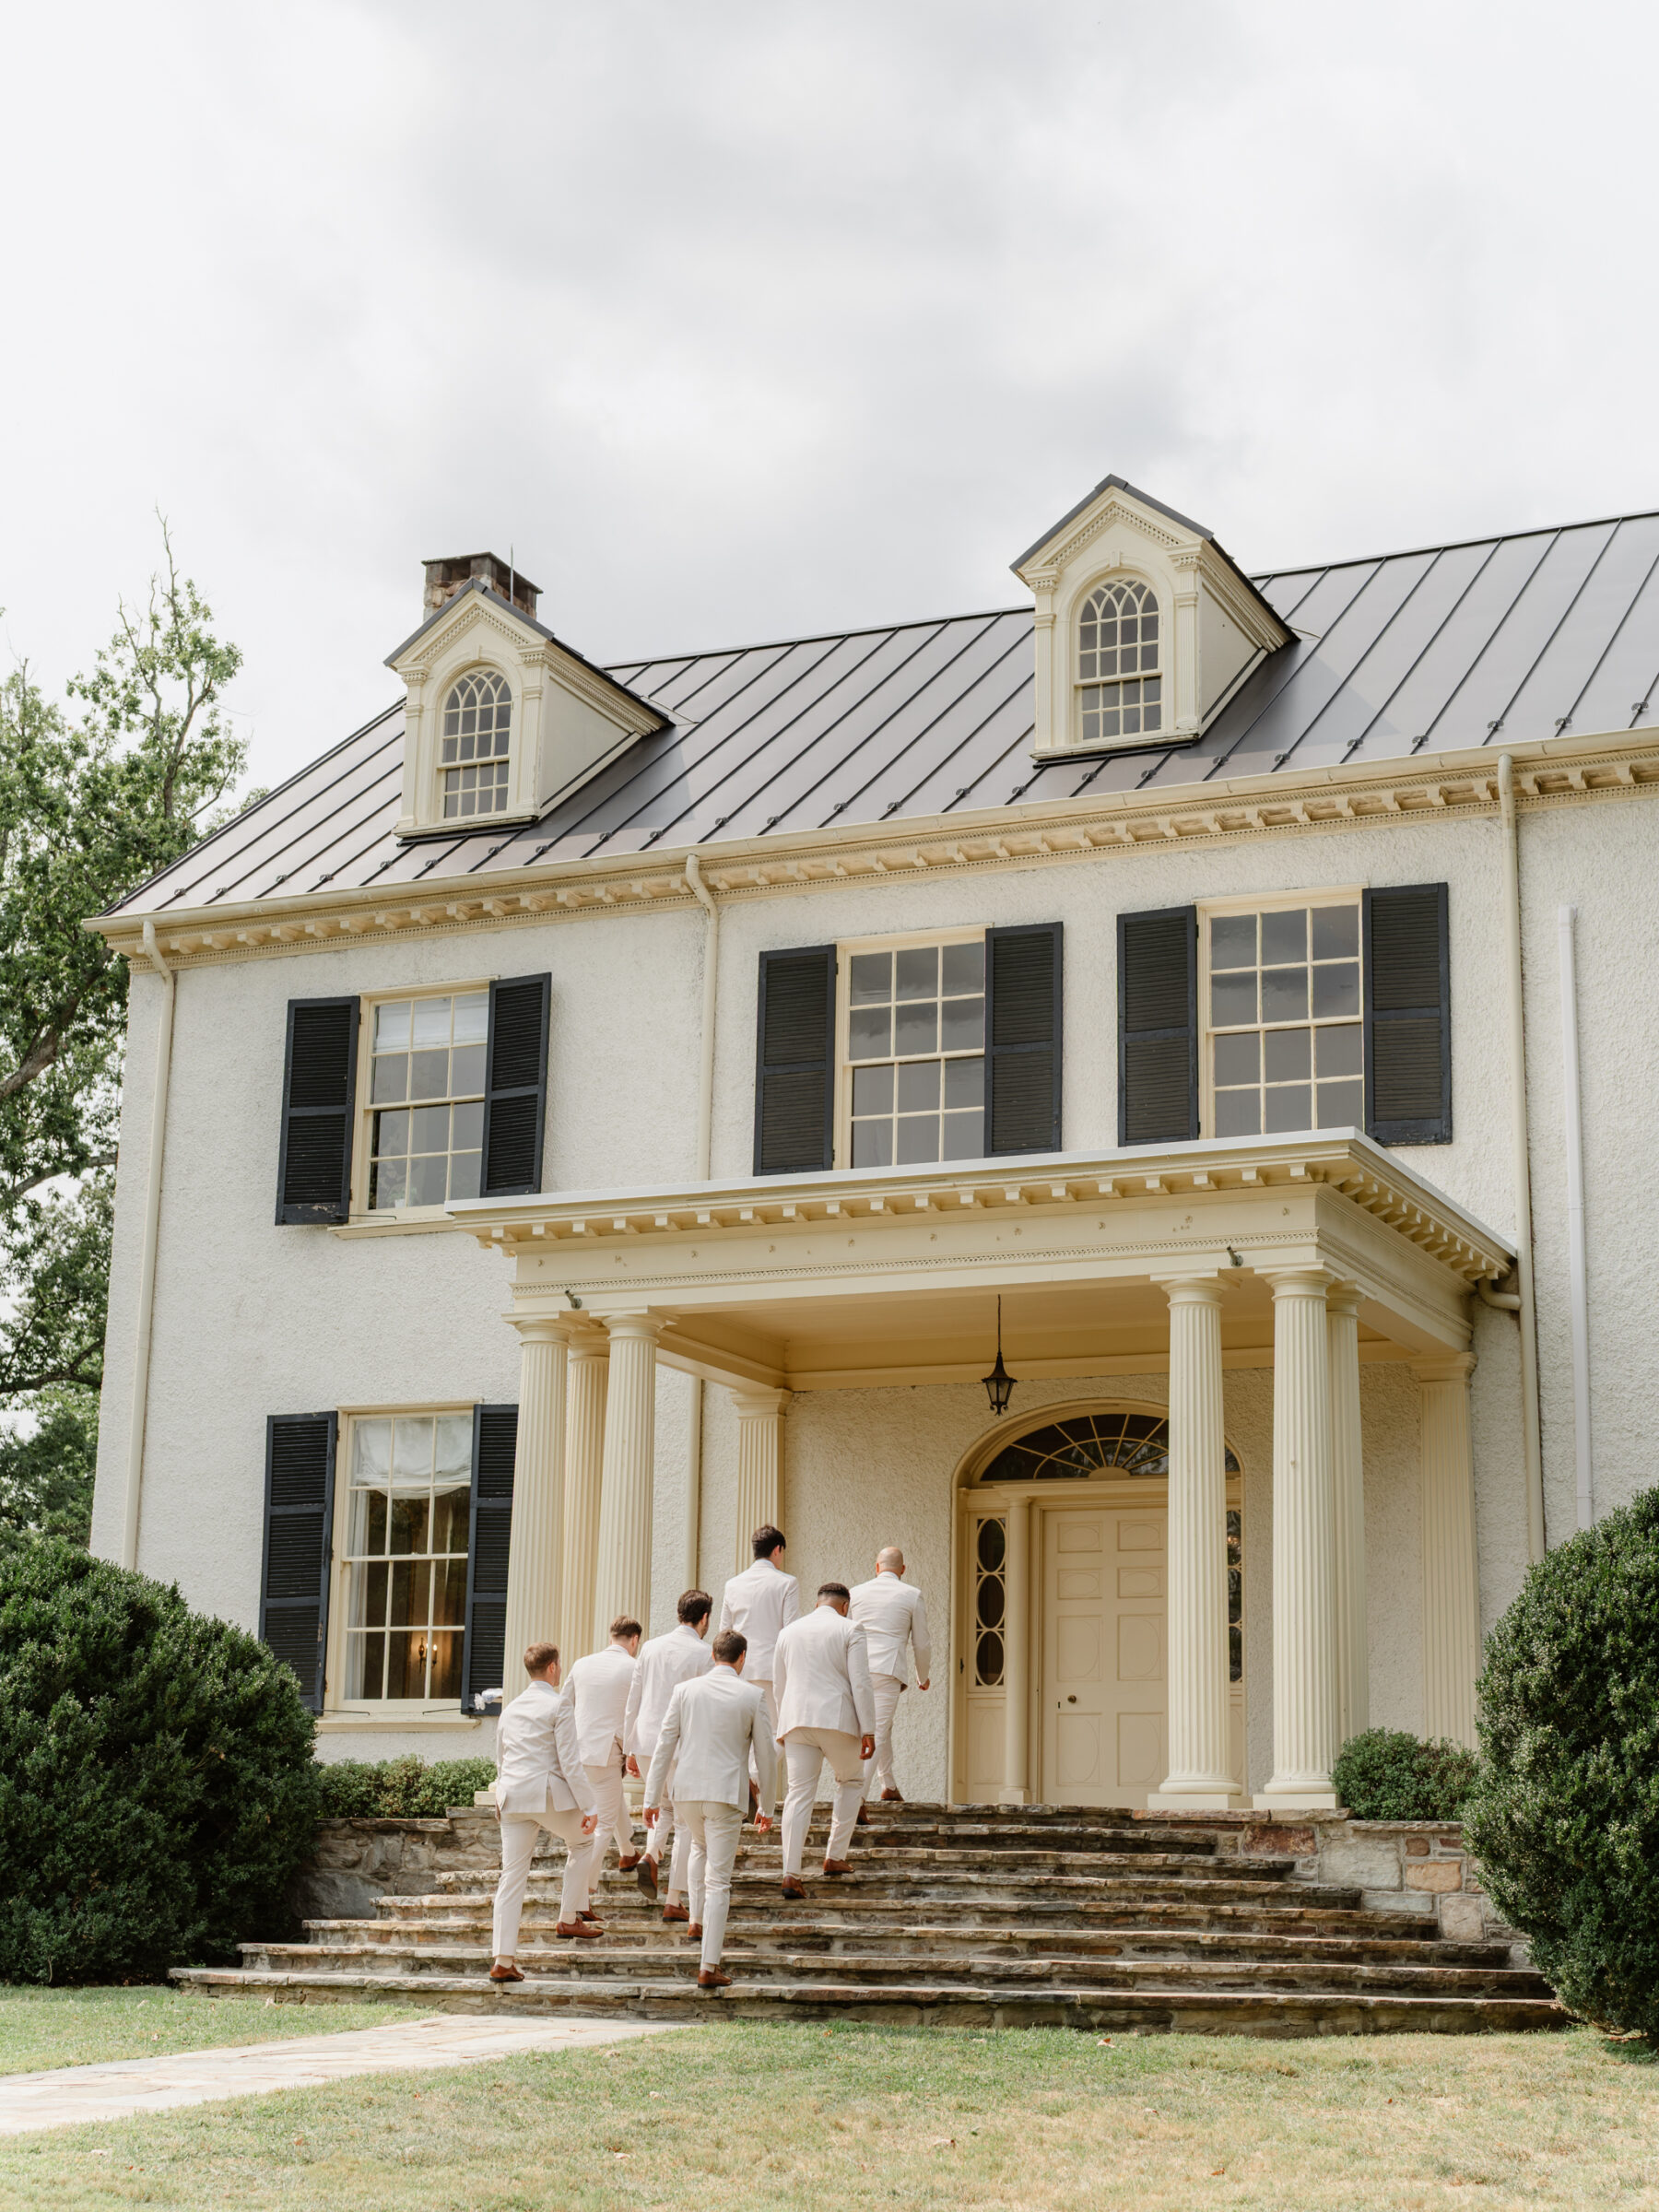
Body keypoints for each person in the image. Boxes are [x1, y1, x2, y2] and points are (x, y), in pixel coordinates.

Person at [643, 1628, 776, 1991]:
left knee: (698, 1848)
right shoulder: (752, 1695)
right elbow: (766, 1755)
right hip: (724, 1795)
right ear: (742, 1658)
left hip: (685, 1792)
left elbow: (664, 1745)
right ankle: (708, 1965)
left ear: (714, 1655)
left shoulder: (684, 1691)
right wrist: (767, 1806)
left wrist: (650, 1799)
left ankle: (696, 1919)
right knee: (719, 1880)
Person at [489, 1641, 602, 1982]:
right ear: (553, 1668)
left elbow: (501, 1757)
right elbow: (570, 1761)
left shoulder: (510, 1709)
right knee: (584, 1842)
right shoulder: (559, 1704)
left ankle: (502, 1960)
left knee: (511, 1877)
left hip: (511, 1797)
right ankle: (568, 1917)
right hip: (546, 1793)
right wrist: (591, 1806)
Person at [771, 1582, 876, 1900]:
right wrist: (869, 1729)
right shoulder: (851, 1628)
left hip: (797, 1720)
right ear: (845, 1606)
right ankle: (834, 1855)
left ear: (818, 1604)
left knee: (798, 1794)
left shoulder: (788, 1632)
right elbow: (861, 1681)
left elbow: (779, 1683)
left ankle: (790, 1873)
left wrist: (783, 1723)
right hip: (836, 1719)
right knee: (851, 1780)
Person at [623, 1589, 713, 1922]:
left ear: (679, 1613)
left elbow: (635, 1698)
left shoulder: (649, 1647)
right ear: (704, 1618)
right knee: (687, 1821)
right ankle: (674, 1898)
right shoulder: (705, 1653)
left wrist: (629, 1746)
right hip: (680, 1745)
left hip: (647, 1742)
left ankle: (650, 1853)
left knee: (661, 1807)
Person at [565, 1615, 644, 1914]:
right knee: (603, 1824)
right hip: (606, 1752)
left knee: (612, 1801)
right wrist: (633, 1751)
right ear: (634, 1640)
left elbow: (564, 1705)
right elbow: (634, 1715)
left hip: (576, 1753)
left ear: (612, 1636)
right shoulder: (634, 1667)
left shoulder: (581, 1663)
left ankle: (627, 1852)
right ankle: (581, 1893)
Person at [719, 1524, 799, 1819]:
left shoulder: (732, 1584)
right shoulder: (787, 1583)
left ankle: (743, 1789)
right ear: (777, 1550)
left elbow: (723, 1632)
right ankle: (751, 1778)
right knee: (782, 1731)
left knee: (741, 1735)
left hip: (737, 1669)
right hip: (771, 1670)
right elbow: (790, 1632)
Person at [848, 1547, 932, 1804]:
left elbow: (845, 1633)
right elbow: (922, 1643)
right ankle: (857, 1800)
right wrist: (922, 1675)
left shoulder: (855, 1593)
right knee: (878, 1732)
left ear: (876, 1567)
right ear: (903, 1570)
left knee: (883, 1728)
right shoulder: (912, 1595)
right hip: (887, 1669)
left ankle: (889, 1785)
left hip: (856, 1668)